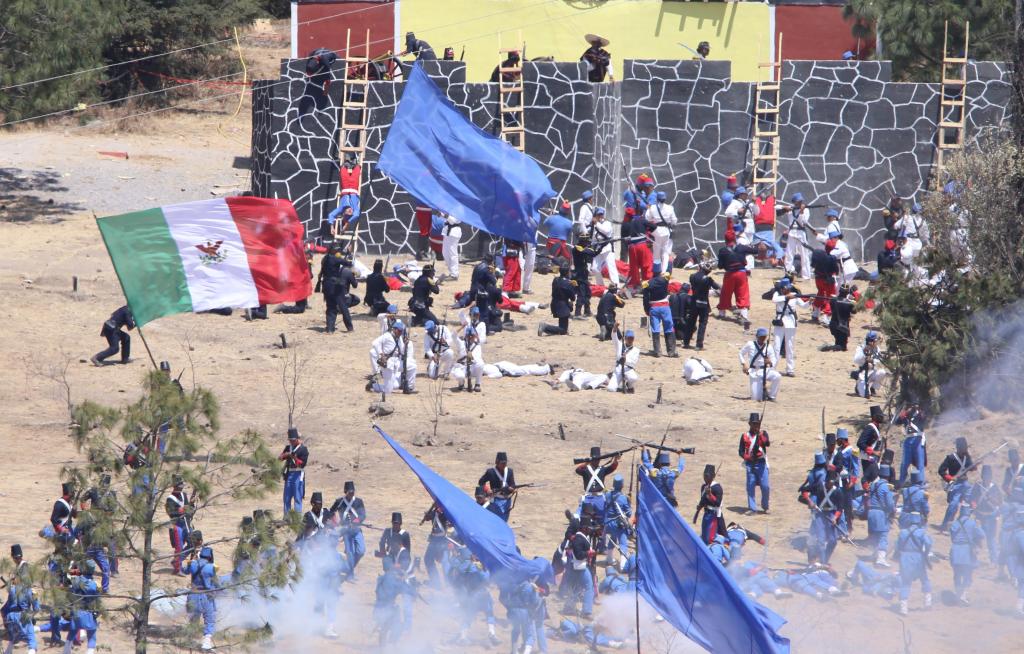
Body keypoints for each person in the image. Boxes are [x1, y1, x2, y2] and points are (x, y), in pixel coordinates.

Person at [716, 229, 758, 330]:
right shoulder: (741, 248)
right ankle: (744, 315)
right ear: (735, 238)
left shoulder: (722, 251)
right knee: (742, 294)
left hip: (729, 274)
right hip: (741, 274)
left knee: (725, 294)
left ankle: (722, 314)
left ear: (725, 240)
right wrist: (750, 248)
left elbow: (720, 266)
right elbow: (755, 251)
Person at [2, 544, 39, 654]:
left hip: (11, 617)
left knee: (13, 639)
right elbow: (37, 608)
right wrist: (31, 616)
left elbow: (8, 605)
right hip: (23, 616)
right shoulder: (31, 591)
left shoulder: (12, 589)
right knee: (32, 640)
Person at [771, 277, 810, 377]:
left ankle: (790, 369)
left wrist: (810, 301)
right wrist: (786, 297)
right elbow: (774, 300)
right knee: (776, 346)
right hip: (780, 321)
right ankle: (772, 368)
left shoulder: (794, 295)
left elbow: (804, 306)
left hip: (791, 322)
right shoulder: (777, 294)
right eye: (785, 288)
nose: (787, 290)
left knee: (790, 347)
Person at [896, 511, 933, 615]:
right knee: (924, 579)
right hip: (918, 558)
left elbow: (898, 546)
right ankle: (928, 602)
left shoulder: (902, 532)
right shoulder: (922, 532)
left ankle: (903, 608)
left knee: (905, 582)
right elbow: (928, 543)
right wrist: (925, 553)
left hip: (905, 558)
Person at [374, 557, 417, 646]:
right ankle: (391, 644)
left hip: (378, 608)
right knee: (398, 626)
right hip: (389, 609)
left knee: (384, 628)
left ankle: (383, 648)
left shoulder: (381, 578)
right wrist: (413, 591)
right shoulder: (393, 580)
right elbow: (404, 589)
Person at [948, 503, 985, 605]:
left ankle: (957, 595)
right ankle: (963, 596)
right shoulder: (972, 523)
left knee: (957, 574)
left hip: (955, 550)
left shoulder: (955, 523)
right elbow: (982, 535)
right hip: (967, 552)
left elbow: (952, 536)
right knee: (967, 574)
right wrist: (979, 526)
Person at [368, 321, 416, 396]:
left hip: (397, 362)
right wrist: (381, 354)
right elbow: (375, 343)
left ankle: (409, 387)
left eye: (401, 331)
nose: (400, 333)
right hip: (388, 363)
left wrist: (405, 344)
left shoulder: (399, 338)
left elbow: (402, 351)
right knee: (388, 390)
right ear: (394, 329)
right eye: (399, 331)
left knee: (412, 366)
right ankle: (373, 386)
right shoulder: (387, 335)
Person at [317, 246, 357, 333]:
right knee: (343, 307)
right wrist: (349, 253)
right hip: (335, 286)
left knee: (330, 307)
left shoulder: (325, 259)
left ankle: (330, 329)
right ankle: (350, 328)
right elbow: (349, 263)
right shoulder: (335, 259)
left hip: (326, 285)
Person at [561, 518, 595, 618]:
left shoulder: (579, 537)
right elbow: (579, 555)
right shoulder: (579, 539)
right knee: (589, 587)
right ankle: (586, 611)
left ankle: (568, 608)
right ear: (584, 528)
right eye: (589, 528)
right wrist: (588, 553)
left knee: (575, 588)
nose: (590, 530)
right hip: (580, 567)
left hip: (576, 567)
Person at [184, 547, 218, 650]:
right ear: (210, 556)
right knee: (209, 620)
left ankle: (189, 641)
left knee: (193, 619)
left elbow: (184, 571)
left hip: (193, 595)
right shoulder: (212, 567)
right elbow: (216, 583)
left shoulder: (193, 563)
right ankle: (206, 644)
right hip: (206, 596)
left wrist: (193, 559)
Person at [938, 436, 974, 531]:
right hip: (955, 485)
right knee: (953, 505)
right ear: (958, 448)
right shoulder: (951, 458)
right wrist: (949, 478)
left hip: (965, 484)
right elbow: (941, 470)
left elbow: (972, 468)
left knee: (970, 502)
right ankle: (946, 525)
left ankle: (961, 523)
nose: (965, 449)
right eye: (963, 448)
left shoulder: (967, 458)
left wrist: (975, 465)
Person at [781, 193, 818, 280]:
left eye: (801, 201)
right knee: (789, 254)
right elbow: (777, 208)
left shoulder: (806, 210)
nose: (800, 202)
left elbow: (802, 222)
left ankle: (806, 276)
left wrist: (801, 212)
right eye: (798, 201)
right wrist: (784, 208)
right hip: (791, 233)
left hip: (801, 233)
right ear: (794, 202)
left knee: (804, 255)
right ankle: (788, 273)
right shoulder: (790, 209)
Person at [739, 412, 770, 514]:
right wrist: (748, 457)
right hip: (750, 464)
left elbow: (767, 443)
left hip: (761, 463)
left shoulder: (763, 433)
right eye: (753, 423)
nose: (755, 425)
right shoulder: (744, 436)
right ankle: (752, 508)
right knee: (750, 486)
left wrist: (761, 436)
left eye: (757, 423)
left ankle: (765, 506)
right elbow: (741, 451)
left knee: (765, 486)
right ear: (749, 424)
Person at [971, 464, 1002, 564]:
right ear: (982, 476)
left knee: (991, 539)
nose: (987, 478)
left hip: (991, 516)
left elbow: (999, 502)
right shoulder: (977, 486)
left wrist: (991, 498)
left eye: (988, 476)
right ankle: (973, 560)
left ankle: (994, 560)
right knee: (976, 538)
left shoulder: (994, 488)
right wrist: (974, 505)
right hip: (979, 516)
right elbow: (972, 499)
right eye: (985, 476)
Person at [867, 464, 896, 568]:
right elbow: (889, 503)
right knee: (883, 535)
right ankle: (881, 559)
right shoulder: (885, 487)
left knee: (874, 535)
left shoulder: (873, 484)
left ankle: (874, 555)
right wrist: (892, 511)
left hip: (871, 512)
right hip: (880, 513)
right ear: (888, 476)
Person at [740, 328, 781, 401]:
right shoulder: (750, 344)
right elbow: (741, 353)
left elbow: (774, 359)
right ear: (757, 336)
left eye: (764, 337)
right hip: (754, 371)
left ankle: (772, 396)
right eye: (761, 337)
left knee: (777, 376)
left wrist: (770, 362)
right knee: (756, 398)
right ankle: (762, 390)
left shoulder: (769, 347)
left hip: (765, 370)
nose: (762, 339)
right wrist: (743, 364)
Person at [685, 260, 719, 350]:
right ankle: (699, 345)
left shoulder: (692, 277)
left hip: (693, 302)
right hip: (703, 303)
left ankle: (686, 342)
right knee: (702, 324)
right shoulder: (708, 279)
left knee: (691, 323)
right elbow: (717, 287)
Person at [642, 272, 676, 358]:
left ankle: (657, 351)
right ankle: (671, 351)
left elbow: (645, 297)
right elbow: (669, 277)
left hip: (654, 307)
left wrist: (646, 309)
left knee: (655, 329)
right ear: (660, 272)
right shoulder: (665, 280)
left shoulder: (647, 283)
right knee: (669, 327)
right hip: (665, 306)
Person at [537, 265, 577, 336]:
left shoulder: (555, 280)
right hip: (563, 306)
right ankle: (545, 327)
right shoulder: (569, 283)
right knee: (563, 330)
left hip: (554, 304)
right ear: (568, 273)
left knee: (562, 327)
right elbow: (573, 298)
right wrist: (574, 287)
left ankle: (549, 329)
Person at [166, 476, 193, 575]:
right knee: (179, 547)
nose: (181, 488)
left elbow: (189, 510)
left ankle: (177, 560)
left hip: (186, 523)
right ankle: (178, 569)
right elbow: (171, 513)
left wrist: (192, 505)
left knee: (192, 544)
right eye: (179, 486)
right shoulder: (170, 499)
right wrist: (181, 510)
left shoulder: (184, 495)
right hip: (176, 525)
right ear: (175, 486)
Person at [479, 452, 517, 522]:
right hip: (495, 500)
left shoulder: (510, 471)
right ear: (497, 462)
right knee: (493, 520)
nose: (504, 465)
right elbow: (481, 482)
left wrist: (512, 489)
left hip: (507, 502)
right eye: (502, 463)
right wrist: (487, 490)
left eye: (505, 463)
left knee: (504, 521)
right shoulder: (491, 472)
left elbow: (513, 484)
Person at [645, 191, 677, 274]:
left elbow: (647, 218)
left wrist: (650, 210)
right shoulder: (670, 208)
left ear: (657, 199)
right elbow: (674, 220)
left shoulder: (652, 207)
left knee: (656, 252)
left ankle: (657, 270)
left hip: (656, 231)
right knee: (665, 253)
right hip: (666, 231)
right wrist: (670, 223)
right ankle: (663, 271)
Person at [895, 403, 926, 486]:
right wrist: (905, 412)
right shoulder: (906, 415)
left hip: (918, 440)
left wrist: (918, 409)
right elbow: (897, 422)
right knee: (905, 463)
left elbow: (924, 418)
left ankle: (921, 483)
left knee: (920, 462)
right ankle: (902, 481)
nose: (912, 408)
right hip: (908, 439)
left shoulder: (920, 413)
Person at [421, 502, 451, 588]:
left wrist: (439, 511)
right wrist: (427, 515)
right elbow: (428, 517)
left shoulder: (445, 511)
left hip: (442, 540)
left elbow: (446, 519)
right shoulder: (435, 511)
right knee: (428, 559)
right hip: (434, 540)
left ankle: (449, 584)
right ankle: (435, 582)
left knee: (445, 562)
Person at [279, 428, 308, 516]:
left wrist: (294, 457)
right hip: (289, 474)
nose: (291, 442)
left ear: (297, 439)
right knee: (286, 498)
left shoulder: (303, 449)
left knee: (297, 498)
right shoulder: (288, 448)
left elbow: (302, 464)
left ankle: (297, 518)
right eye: (290, 440)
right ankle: (286, 517)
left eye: (293, 440)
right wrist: (287, 454)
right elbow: (280, 458)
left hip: (298, 474)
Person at [603, 475, 631, 564]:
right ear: (622, 485)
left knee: (613, 539)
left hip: (608, 523)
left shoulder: (607, 494)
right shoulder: (623, 498)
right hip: (618, 523)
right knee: (623, 542)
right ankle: (623, 565)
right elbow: (629, 514)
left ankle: (609, 559)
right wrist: (629, 502)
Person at [752, 188, 783, 264]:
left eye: (760, 250)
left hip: (758, 220)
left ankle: (760, 196)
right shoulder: (771, 243)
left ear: (757, 249)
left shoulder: (754, 243)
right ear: (767, 249)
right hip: (768, 221)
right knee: (770, 200)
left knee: (757, 201)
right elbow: (780, 251)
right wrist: (777, 259)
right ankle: (771, 194)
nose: (761, 247)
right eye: (763, 250)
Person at [695, 464, 725, 543]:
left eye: (707, 476)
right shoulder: (704, 487)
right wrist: (700, 506)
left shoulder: (717, 488)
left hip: (714, 515)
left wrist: (710, 494)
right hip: (706, 514)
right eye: (704, 476)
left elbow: (717, 503)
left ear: (713, 476)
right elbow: (703, 499)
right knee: (705, 534)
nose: (705, 478)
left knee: (711, 537)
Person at [853, 331, 887, 398]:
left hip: (872, 372)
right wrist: (864, 355)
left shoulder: (876, 348)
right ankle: (858, 387)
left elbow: (879, 360)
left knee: (882, 372)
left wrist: (872, 361)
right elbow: (856, 360)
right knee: (864, 395)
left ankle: (873, 388)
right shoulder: (861, 347)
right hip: (862, 374)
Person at [607, 324, 639, 393]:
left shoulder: (636, 350)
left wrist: (625, 360)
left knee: (634, 378)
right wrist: (615, 327)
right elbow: (614, 337)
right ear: (625, 338)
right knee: (611, 389)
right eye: (629, 338)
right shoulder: (619, 345)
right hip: (618, 369)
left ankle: (630, 386)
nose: (630, 340)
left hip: (628, 369)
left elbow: (634, 362)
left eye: (632, 338)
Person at [452, 325, 484, 392]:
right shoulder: (461, 343)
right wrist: (462, 326)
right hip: (462, 367)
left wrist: (471, 356)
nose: (470, 337)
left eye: (472, 335)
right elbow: (453, 335)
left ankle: (477, 384)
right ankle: (461, 383)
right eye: (468, 336)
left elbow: (477, 358)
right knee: (460, 376)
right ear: (465, 336)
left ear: (474, 336)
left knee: (480, 363)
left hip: (472, 367)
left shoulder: (477, 345)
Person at [591, 208, 618, 286]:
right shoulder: (595, 225)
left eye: (601, 214)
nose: (600, 216)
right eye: (598, 215)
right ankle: (600, 285)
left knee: (611, 267)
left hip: (607, 248)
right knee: (594, 268)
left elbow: (605, 231)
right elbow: (594, 238)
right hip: (599, 249)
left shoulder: (607, 223)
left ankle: (616, 286)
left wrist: (597, 223)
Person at [571, 233, 595, 318]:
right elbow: (589, 252)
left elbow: (593, 254)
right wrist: (591, 248)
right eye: (586, 241)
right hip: (579, 274)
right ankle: (577, 313)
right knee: (581, 294)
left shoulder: (583, 248)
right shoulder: (577, 248)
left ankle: (587, 311)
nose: (587, 243)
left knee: (587, 293)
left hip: (584, 273)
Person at [826, 283, 855, 351]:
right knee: (843, 347)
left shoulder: (833, 300)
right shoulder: (850, 303)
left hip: (833, 325)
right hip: (843, 326)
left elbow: (832, 306)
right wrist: (853, 302)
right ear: (847, 293)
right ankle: (837, 347)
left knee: (838, 341)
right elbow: (854, 311)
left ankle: (836, 346)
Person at [440, 212, 463, 281]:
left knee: (453, 254)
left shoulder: (459, 209)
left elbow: (453, 221)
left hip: (454, 232)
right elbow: (446, 220)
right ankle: (452, 272)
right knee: (445, 253)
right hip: (447, 231)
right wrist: (440, 214)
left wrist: (445, 215)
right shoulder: (449, 207)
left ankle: (454, 274)